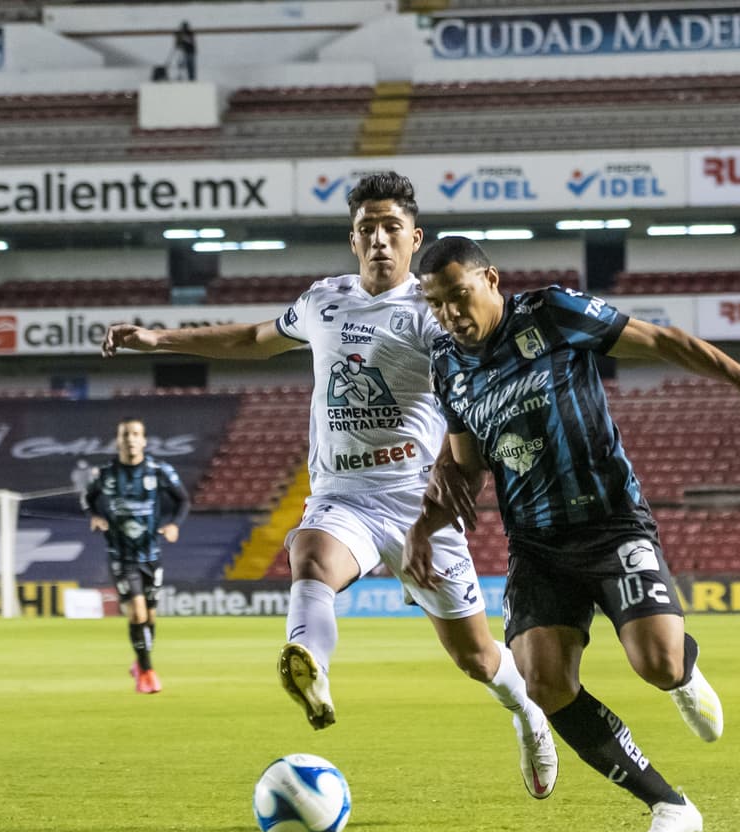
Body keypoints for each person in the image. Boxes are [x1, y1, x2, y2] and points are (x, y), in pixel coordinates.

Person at [101, 172, 558, 799]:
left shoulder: (431, 315)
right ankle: (308, 661)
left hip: (419, 504)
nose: (378, 238)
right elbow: (255, 338)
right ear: (352, 239)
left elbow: (478, 385)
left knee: (477, 658)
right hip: (343, 496)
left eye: (391, 227)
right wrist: (160, 336)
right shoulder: (323, 301)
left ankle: (528, 712)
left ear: (414, 237)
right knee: (309, 555)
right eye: (367, 227)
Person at [405, 236, 740, 832]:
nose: (450, 315)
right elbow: (465, 466)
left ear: (491, 279)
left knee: (657, 663)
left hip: (609, 520)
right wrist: (425, 520)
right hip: (537, 546)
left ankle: (683, 668)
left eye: (459, 296)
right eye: (436, 304)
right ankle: (669, 806)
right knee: (543, 682)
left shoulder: (550, 314)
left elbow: (662, 341)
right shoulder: (447, 364)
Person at [82, 417, 189, 694]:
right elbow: (88, 498)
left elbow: (183, 500)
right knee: (137, 612)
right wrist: (95, 517)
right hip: (121, 554)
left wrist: (174, 524)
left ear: (143, 440)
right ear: (118, 441)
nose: (130, 438)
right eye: (125, 434)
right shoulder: (105, 474)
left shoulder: (158, 470)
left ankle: (139, 662)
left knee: (150, 618)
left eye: (136, 434)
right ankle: (147, 673)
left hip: (151, 553)